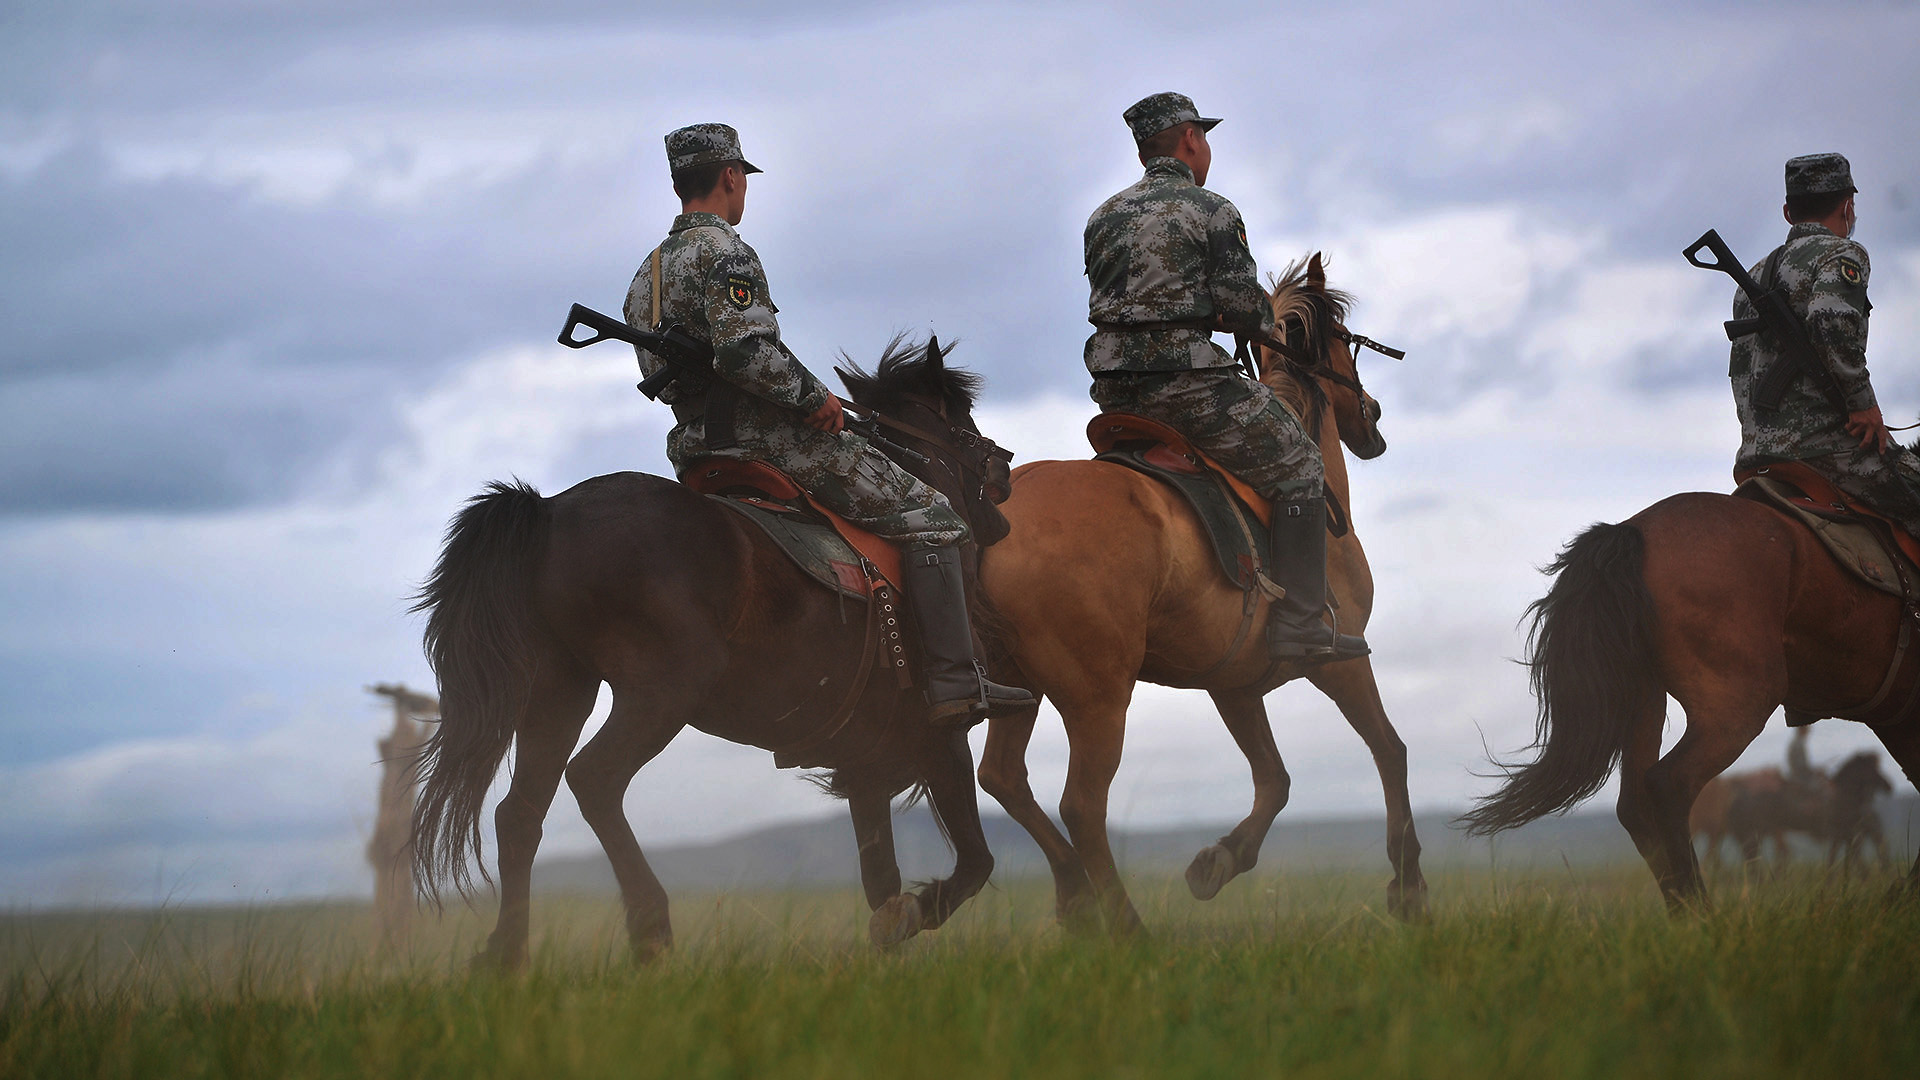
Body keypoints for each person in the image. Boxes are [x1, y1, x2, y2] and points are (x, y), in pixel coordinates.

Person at [623, 123, 1031, 725]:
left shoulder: (647, 273)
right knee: (935, 518)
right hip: (768, 439)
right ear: (731, 177)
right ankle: (954, 680)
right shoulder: (727, 253)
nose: (743, 193)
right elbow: (745, 352)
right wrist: (815, 398)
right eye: (743, 181)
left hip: (692, 445)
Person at [1082, 92, 1366, 663]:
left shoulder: (1102, 215)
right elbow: (1246, 313)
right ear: (1190, 138)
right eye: (1203, 137)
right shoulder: (1212, 210)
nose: (1205, 147)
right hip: (1190, 391)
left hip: (1113, 392)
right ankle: (1302, 626)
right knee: (1302, 463)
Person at [1731, 152, 1920, 533]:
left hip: (1755, 453)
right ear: (1848, 206)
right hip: (1824, 452)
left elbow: (1740, 371)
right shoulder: (1842, 253)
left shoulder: (1751, 277)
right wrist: (1862, 404)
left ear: (1788, 212)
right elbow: (1829, 320)